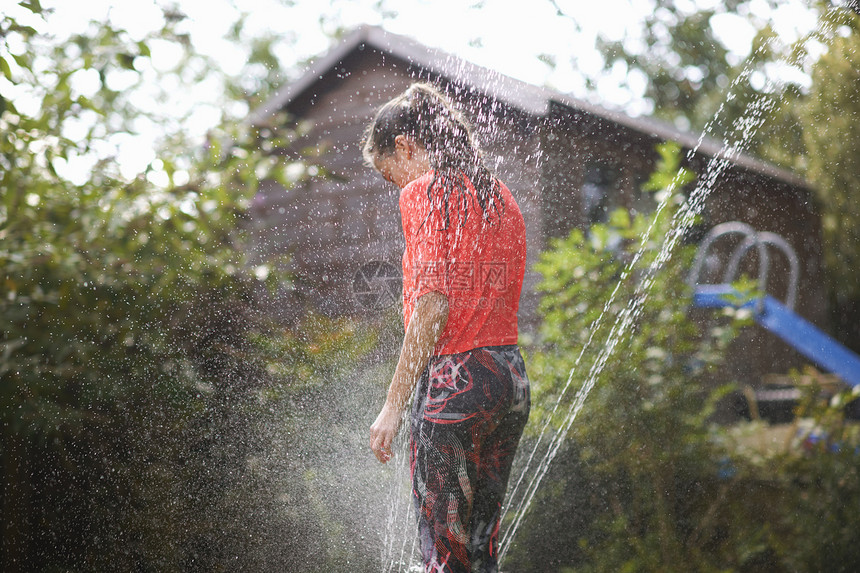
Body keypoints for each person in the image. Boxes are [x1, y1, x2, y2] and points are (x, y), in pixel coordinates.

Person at [362, 82, 530, 573]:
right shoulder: (499, 195)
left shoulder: (425, 192)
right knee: (480, 554)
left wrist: (393, 407)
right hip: (509, 380)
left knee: (443, 559)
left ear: (405, 146)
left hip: (455, 384)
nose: (397, 187)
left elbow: (433, 306)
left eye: (391, 176)